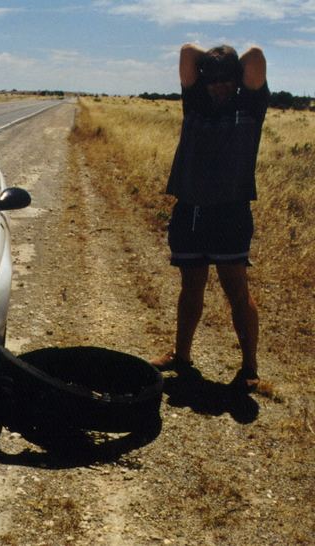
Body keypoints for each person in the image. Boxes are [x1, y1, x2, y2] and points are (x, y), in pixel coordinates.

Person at [152, 43, 269, 393]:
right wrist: (210, 69)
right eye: (212, 79)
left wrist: (228, 65)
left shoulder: (249, 104)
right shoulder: (196, 102)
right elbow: (188, 53)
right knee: (191, 287)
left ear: (237, 79)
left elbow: (256, 56)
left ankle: (250, 366)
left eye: (225, 79)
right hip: (190, 210)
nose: (218, 85)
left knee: (236, 288)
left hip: (230, 212)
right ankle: (182, 356)